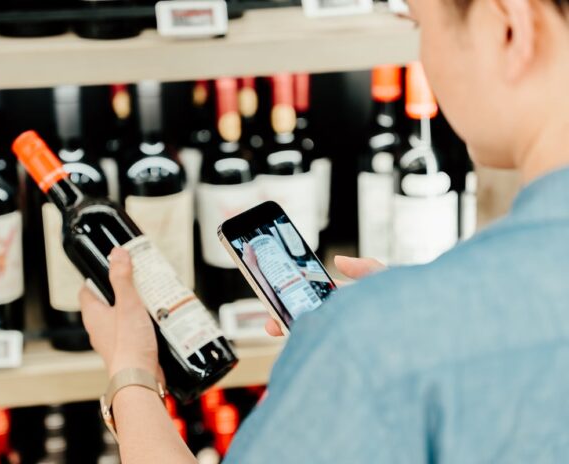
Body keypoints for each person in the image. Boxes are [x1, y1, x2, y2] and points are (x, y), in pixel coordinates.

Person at [79, 0, 569, 461]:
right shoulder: (417, 327)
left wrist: (131, 369)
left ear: (508, 29)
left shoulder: (368, 342)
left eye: (421, 25)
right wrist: (420, 314)